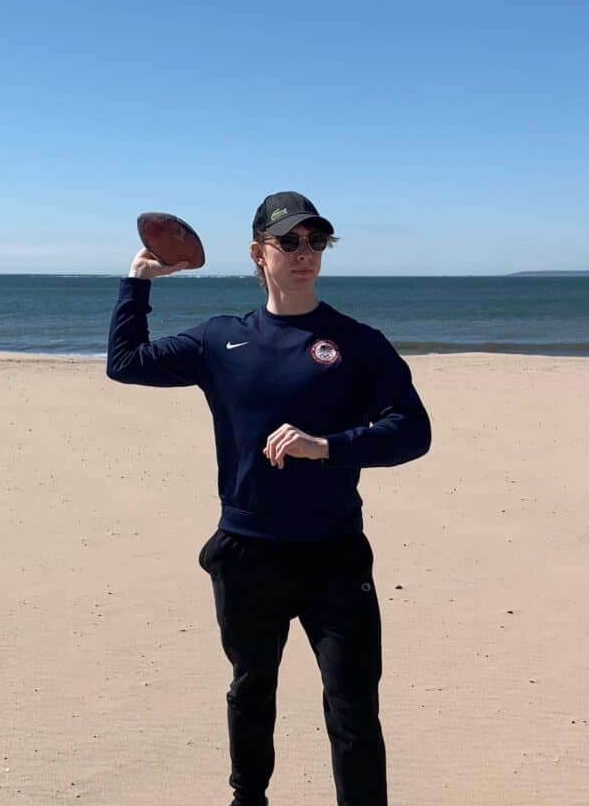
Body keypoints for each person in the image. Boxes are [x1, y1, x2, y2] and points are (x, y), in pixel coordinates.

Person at [106, 191, 431, 806]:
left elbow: (413, 432)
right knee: (251, 690)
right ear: (259, 253)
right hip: (248, 552)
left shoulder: (357, 342)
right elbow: (125, 363)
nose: (304, 253)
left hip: (334, 553)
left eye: (315, 242)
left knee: (354, 706)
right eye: (289, 242)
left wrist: (327, 446)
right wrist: (138, 282)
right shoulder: (221, 340)